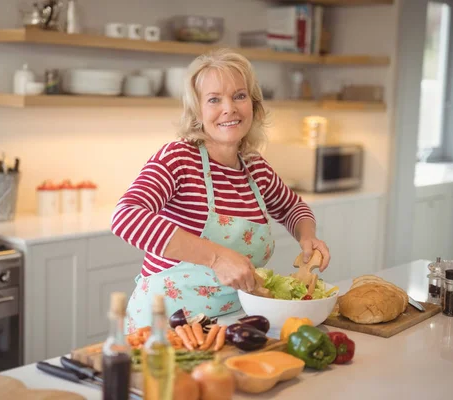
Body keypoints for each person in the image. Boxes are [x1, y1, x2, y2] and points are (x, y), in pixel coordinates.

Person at [111, 49, 331, 332]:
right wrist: (216, 257)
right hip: (164, 328)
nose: (229, 108)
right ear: (197, 111)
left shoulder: (254, 166)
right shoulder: (177, 158)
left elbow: (292, 208)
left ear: (254, 105)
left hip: (229, 324)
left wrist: (307, 237)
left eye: (239, 96)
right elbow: (126, 216)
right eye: (214, 99)